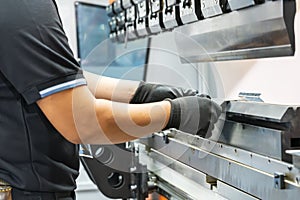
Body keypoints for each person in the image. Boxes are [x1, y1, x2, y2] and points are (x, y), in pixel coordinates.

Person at [0, 1, 221, 200]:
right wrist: (174, 113)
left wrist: (142, 94)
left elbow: (54, 77)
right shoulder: (24, 7)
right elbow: (82, 122)